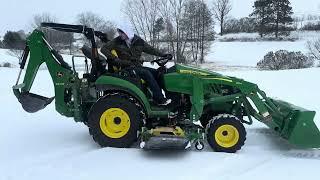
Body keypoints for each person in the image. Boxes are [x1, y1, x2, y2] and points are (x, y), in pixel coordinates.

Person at [100, 26, 172, 105]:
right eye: (119, 33)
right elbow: (103, 49)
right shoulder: (117, 41)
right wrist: (115, 59)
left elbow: (151, 49)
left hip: (137, 66)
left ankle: (167, 96)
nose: (120, 35)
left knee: (158, 73)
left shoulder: (139, 41)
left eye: (122, 33)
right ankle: (159, 99)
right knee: (146, 73)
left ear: (127, 32)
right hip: (125, 67)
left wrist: (163, 55)